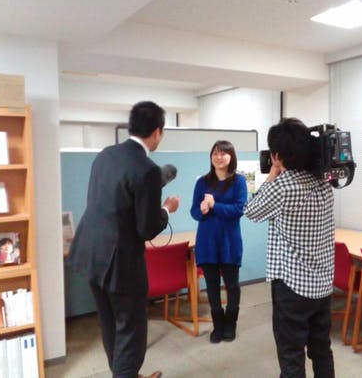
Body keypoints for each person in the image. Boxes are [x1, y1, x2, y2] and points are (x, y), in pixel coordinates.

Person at [68, 101, 180, 378]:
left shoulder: (106, 155)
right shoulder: (147, 169)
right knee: (131, 333)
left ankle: (125, 374)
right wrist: (166, 209)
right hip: (120, 265)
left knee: (109, 324)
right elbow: (146, 229)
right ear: (158, 132)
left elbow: (114, 199)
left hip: (90, 256)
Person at [244, 118, 335, 378]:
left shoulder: (283, 187)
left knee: (291, 355)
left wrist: (273, 175)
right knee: (321, 349)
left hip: (292, 287)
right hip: (322, 284)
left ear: (277, 155)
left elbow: (251, 210)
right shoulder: (324, 183)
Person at [190, 140, 247, 343]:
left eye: (223, 153)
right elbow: (194, 212)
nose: (219, 157)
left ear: (231, 157)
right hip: (207, 242)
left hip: (229, 242)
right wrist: (202, 210)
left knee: (232, 286)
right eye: (215, 153)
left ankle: (231, 323)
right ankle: (218, 325)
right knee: (212, 287)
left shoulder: (239, 181)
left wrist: (215, 205)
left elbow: (239, 209)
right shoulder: (202, 182)